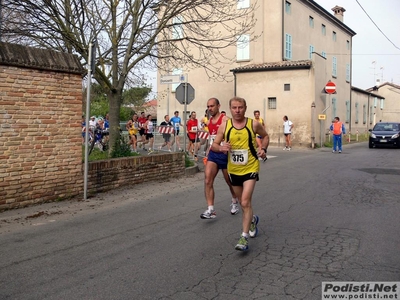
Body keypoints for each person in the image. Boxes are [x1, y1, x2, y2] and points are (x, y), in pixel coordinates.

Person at [211, 96, 269, 252]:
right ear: (230, 109)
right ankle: (252, 221)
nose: (237, 111)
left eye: (240, 107)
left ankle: (243, 237)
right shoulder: (225, 126)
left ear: (245, 108)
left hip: (250, 167)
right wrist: (221, 147)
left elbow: (266, 136)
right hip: (234, 169)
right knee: (245, 204)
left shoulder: (253, 124)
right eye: (234, 108)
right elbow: (214, 145)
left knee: (244, 201)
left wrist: (263, 149)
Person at [200, 97, 239, 219]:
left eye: (212, 106)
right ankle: (210, 209)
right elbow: (211, 138)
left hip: (225, 154)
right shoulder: (209, 121)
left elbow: (234, 133)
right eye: (208, 106)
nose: (210, 108)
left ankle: (234, 202)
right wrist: (208, 151)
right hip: (213, 153)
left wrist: (229, 145)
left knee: (229, 181)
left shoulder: (225, 120)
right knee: (207, 180)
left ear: (218, 106)